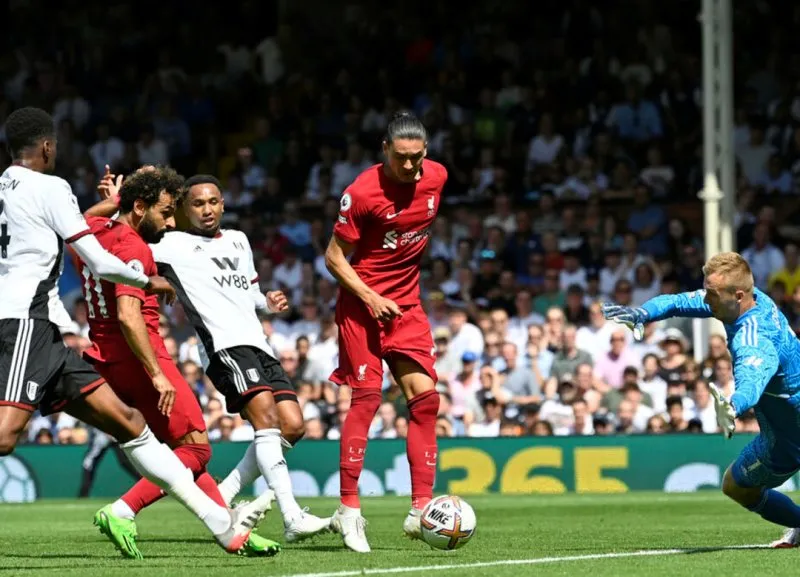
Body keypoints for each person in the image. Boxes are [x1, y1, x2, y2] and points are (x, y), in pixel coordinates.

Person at [0, 107, 271, 554]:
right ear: (47, 147)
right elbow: (106, 266)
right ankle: (131, 510)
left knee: (130, 424)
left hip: (57, 337)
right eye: (166, 213)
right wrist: (148, 279)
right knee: (6, 437)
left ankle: (224, 527)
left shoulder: (22, 192)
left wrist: (116, 201)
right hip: (26, 321)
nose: (170, 222)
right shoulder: (54, 189)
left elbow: (85, 226)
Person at [88, 171, 329, 543]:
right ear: (184, 208)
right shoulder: (169, 243)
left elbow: (250, 292)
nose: (206, 210)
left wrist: (267, 302)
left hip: (258, 343)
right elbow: (112, 242)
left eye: (213, 202)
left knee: (292, 426)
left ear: (223, 203)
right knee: (260, 422)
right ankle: (292, 516)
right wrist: (119, 204)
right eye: (196, 204)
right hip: (223, 346)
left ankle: (227, 494)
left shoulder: (239, 240)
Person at [602, 251, 800, 548]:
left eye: (711, 293)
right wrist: (643, 314)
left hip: (791, 430)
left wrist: (733, 406)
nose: (706, 299)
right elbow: (677, 301)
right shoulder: (747, 300)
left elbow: (751, 380)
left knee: (737, 486)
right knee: (735, 483)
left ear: (738, 294)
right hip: (782, 421)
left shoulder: (753, 337)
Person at [325, 111, 447, 553]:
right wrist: (371, 296)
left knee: (427, 400)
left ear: (427, 152)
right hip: (361, 307)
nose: (411, 167)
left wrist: (392, 297)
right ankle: (349, 509)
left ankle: (421, 509)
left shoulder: (437, 178)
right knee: (368, 397)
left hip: (408, 306)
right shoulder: (361, 192)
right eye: (401, 158)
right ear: (385, 151)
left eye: (417, 157)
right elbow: (334, 257)